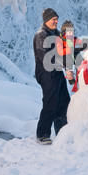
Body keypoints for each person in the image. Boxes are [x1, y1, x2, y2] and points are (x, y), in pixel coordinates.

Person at [33, 8, 70, 145]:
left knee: (64, 103)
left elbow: (67, 47)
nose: (56, 21)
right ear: (46, 20)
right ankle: (42, 134)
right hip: (46, 74)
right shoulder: (41, 35)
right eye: (53, 19)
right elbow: (46, 58)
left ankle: (62, 134)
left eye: (56, 19)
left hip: (58, 73)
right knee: (51, 103)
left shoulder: (56, 34)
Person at [55, 20, 87, 85]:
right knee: (68, 58)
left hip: (73, 56)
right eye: (69, 32)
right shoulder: (59, 39)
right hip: (63, 58)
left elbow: (80, 43)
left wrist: (85, 46)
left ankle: (80, 72)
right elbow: (60, 52)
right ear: (64, 32)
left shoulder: (74, 39)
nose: (71, 34)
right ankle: (70, 77)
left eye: (72, 31)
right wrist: (71, 49)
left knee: (78, 55)